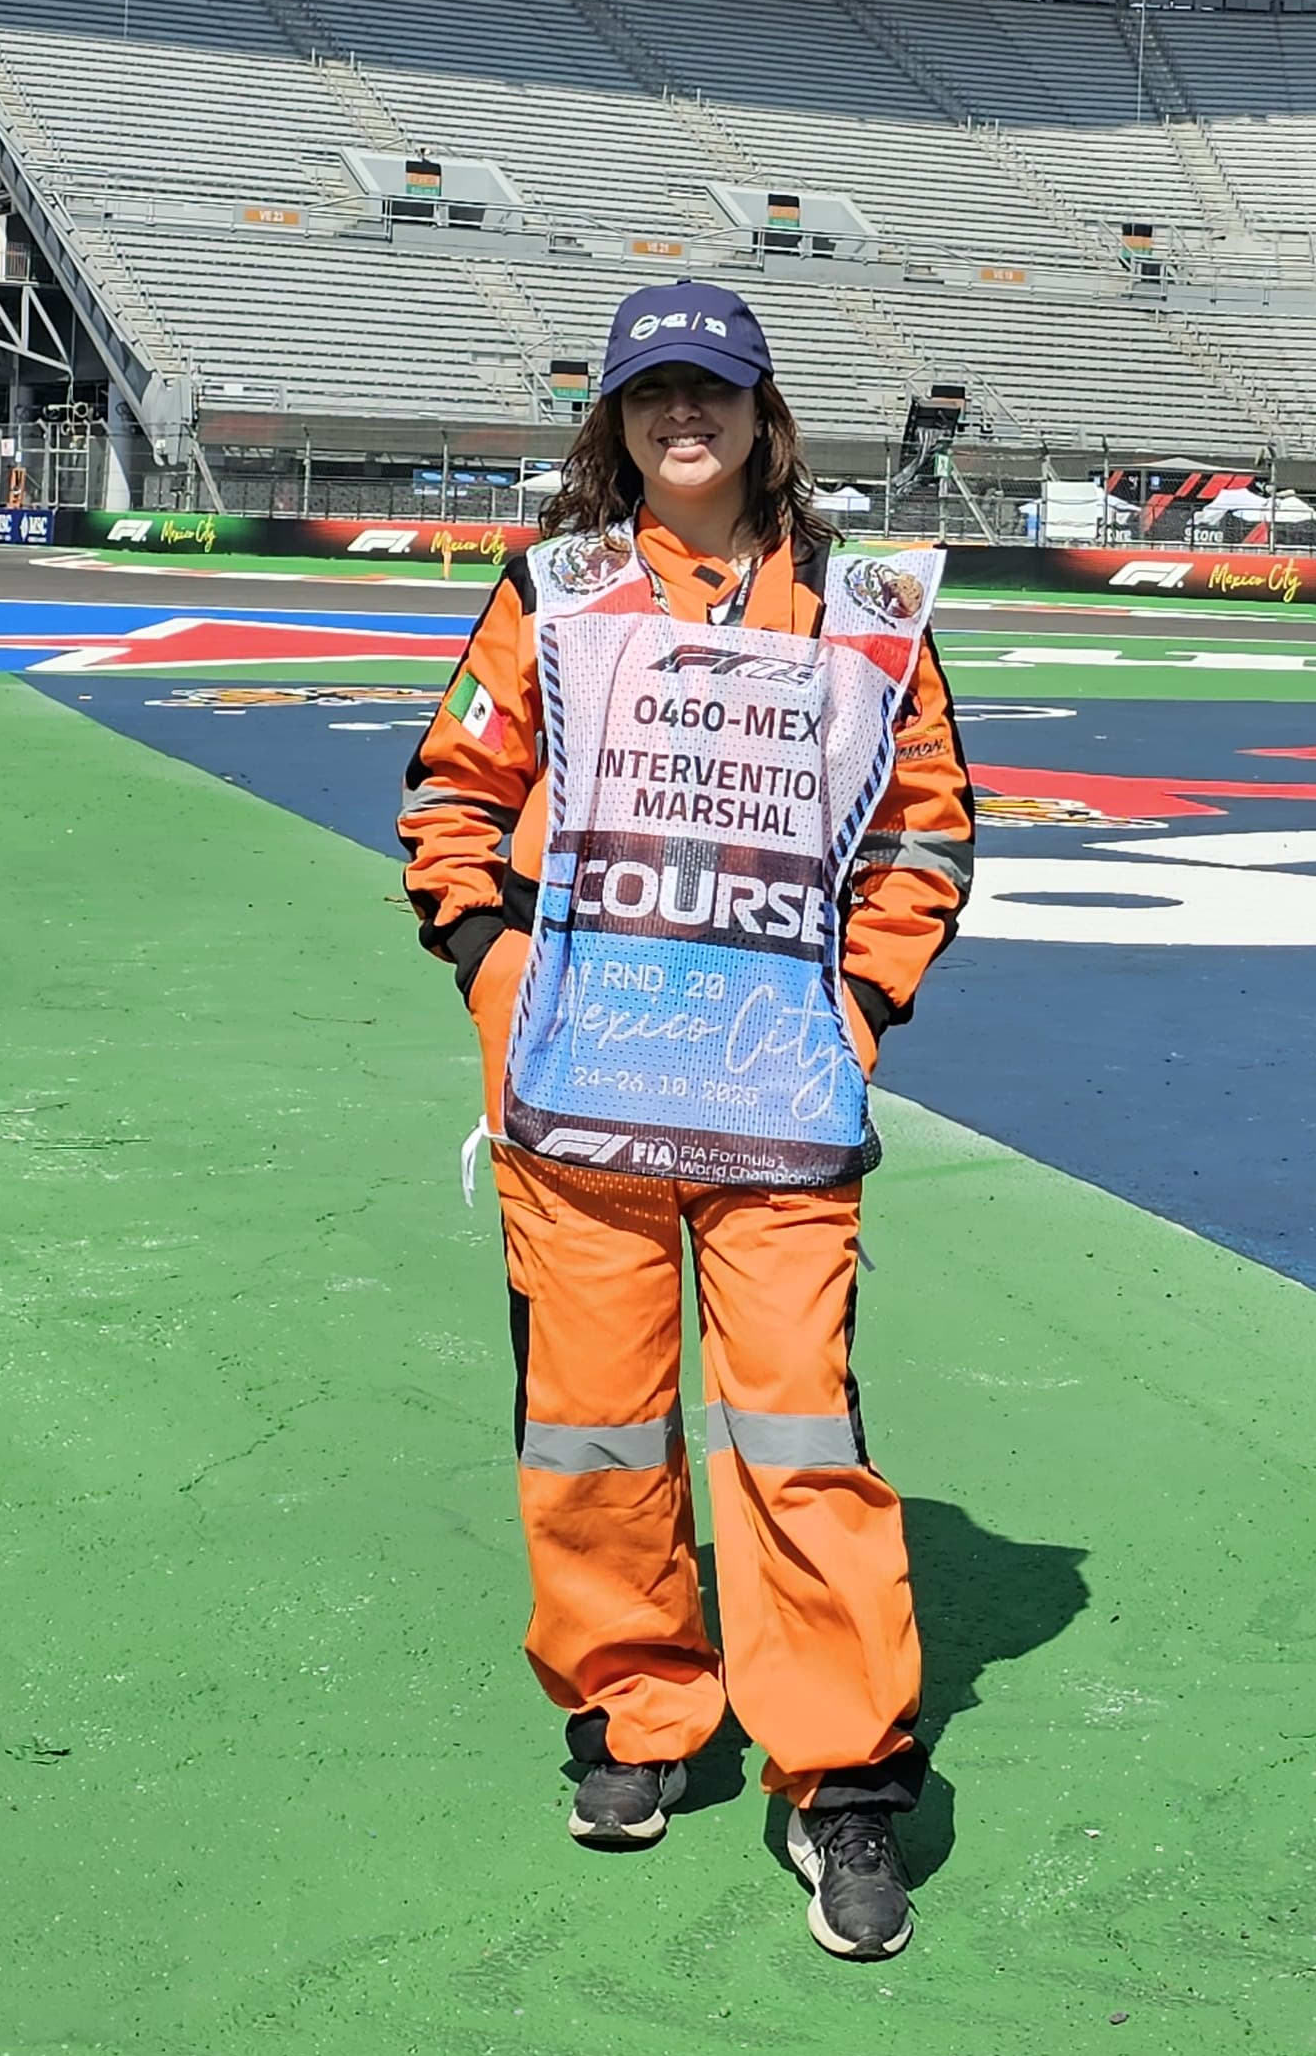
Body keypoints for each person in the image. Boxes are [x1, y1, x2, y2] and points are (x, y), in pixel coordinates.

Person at [396, 283, 973, 1961]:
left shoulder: (865, 611)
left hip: (775, 1109)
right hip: (582, 1101)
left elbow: (925, 832)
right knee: (591, 1427)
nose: (681, 418)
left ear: (762, 413)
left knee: (796, 1429)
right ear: (616, 421)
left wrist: (856, 1012)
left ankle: (841, 1776)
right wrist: (498, 975)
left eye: (709, 389)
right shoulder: (556, 590)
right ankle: (638, 1710)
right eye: (650, 393)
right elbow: (453, 794)